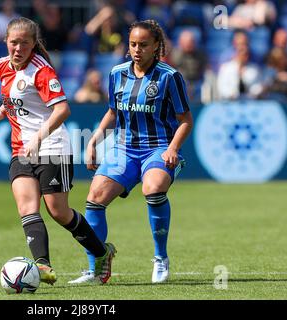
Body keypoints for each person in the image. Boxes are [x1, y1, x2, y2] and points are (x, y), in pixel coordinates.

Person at [0, 17, 116, 285]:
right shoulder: (1, 66)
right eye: (13, 42)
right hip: (21, 149)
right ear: (5, 41)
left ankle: (103, 253)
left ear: (33, 44)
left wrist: (39, 139)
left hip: (53, 147)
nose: (18, 48)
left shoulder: (41, 71)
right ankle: (42, 266)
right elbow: (11, 101)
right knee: (27, 207)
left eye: (24, 43)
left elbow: (63, 109)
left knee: (58, 212)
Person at [68, 19, 193, 284]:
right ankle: (97, 267)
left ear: (156, 46)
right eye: (133, 44)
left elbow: (186, 120)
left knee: (154, 188)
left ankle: (160, 259)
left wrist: (173, 148)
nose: (137, 49)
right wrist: (93, 141)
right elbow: (112, 112)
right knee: (95, 197)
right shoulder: (117, 73)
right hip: (124, 148)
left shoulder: (170, 77)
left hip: (158, 148)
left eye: (143, 45)